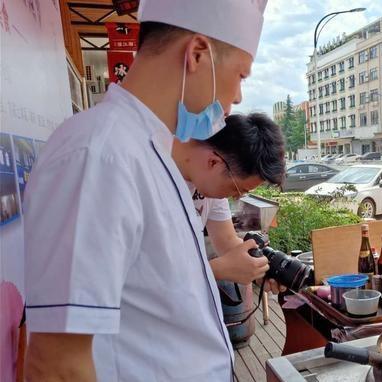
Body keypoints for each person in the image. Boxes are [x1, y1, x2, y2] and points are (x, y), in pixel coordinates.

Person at [23, 0, 268, 381]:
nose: (236, 97)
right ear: (198, 54)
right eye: (241, 75)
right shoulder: (100, 154)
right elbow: (57, 365)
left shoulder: (147, 149)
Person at [171, 112, 286, 291]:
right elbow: (146, 272)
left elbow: (227, 241)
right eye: (236, 189)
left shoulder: (207, 181)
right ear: (213, 163)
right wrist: (217, 269)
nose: (235, 197)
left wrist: (259, 269)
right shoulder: (154, 175)